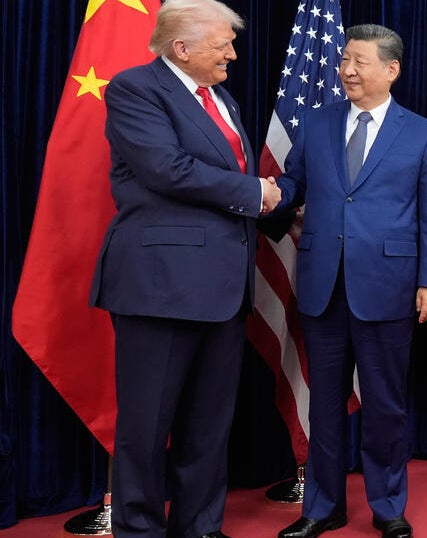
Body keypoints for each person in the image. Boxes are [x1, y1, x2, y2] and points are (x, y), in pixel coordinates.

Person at [89, 1, 279, 537]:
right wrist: (255, 193)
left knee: (209, 425)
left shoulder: (221, 98)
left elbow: (226, 174)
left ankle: (200, 527)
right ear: (182, 47)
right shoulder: (135, 89)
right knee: (147, 427)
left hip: (225, 287)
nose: (233, 55)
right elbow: (166, 168)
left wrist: (276, 207)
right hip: (161, 286)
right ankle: (140, 530)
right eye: (223, 45)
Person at [273, 24, 427, 538]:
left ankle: (388, 506)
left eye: (360, 62)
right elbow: (293, 183)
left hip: (388, 286)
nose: (347, 70)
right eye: (344, 60)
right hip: (322, 286)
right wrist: (263, 196)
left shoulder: (422, 133)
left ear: (391, 70)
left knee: (385, 404)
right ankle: (322, 507)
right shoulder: (317, 122)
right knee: (324, 405)